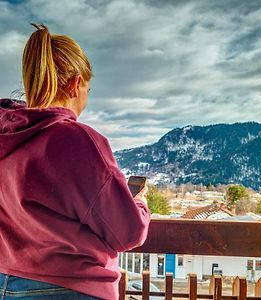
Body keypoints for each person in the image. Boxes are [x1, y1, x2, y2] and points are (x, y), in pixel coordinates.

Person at [0, 24, 151, 299]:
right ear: (75, 84)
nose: (85, 101)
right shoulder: (77, 140)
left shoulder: (6, 137)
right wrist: (140, 203)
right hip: (71, 287)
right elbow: (127, 232)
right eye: (88, 91)